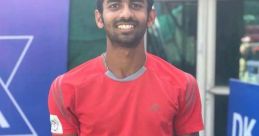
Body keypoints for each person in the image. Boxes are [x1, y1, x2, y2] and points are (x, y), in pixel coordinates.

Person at [48, 0, 204, 135]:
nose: (126, 14)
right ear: (99, 18)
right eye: (115, 5)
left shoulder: (183, 85)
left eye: (136, 5)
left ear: (150, 17)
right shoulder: (66, 88)